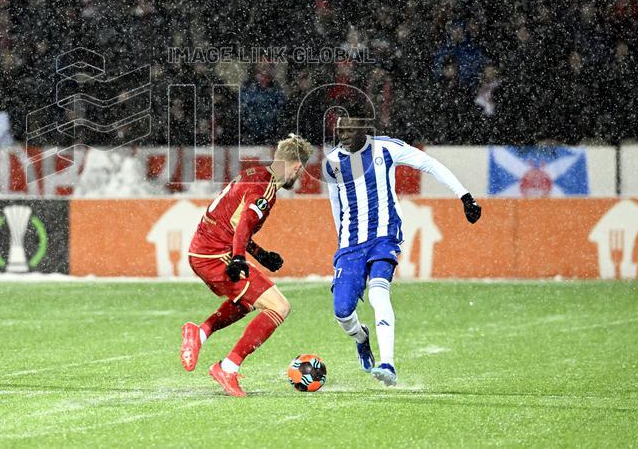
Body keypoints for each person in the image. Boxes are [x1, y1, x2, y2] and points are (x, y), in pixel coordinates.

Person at [323, 115, 482, 386]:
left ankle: (388, 364)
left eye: (350, 130)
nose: (344, 135)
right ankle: (362, 338)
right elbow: (336, 203)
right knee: (342, 311)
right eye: (340, 131)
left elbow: (429, 164)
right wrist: (341, 241)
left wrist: (464, 195)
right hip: (351, 242)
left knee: (378, 291)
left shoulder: (386, 148)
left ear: (364, 129)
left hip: (385, 235)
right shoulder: (332, 163)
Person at [180, 133, 314, 397]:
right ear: (297, 166)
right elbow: (242, 225)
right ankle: (227, 368)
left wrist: (259, 253)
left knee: (250, 301)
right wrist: (240, 257)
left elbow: (235, 221)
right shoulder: (265, 188)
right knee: (279, 307)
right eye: (300, 171)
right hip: (215, 255)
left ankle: (200, 333)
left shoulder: (254, 173)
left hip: (204, 252)